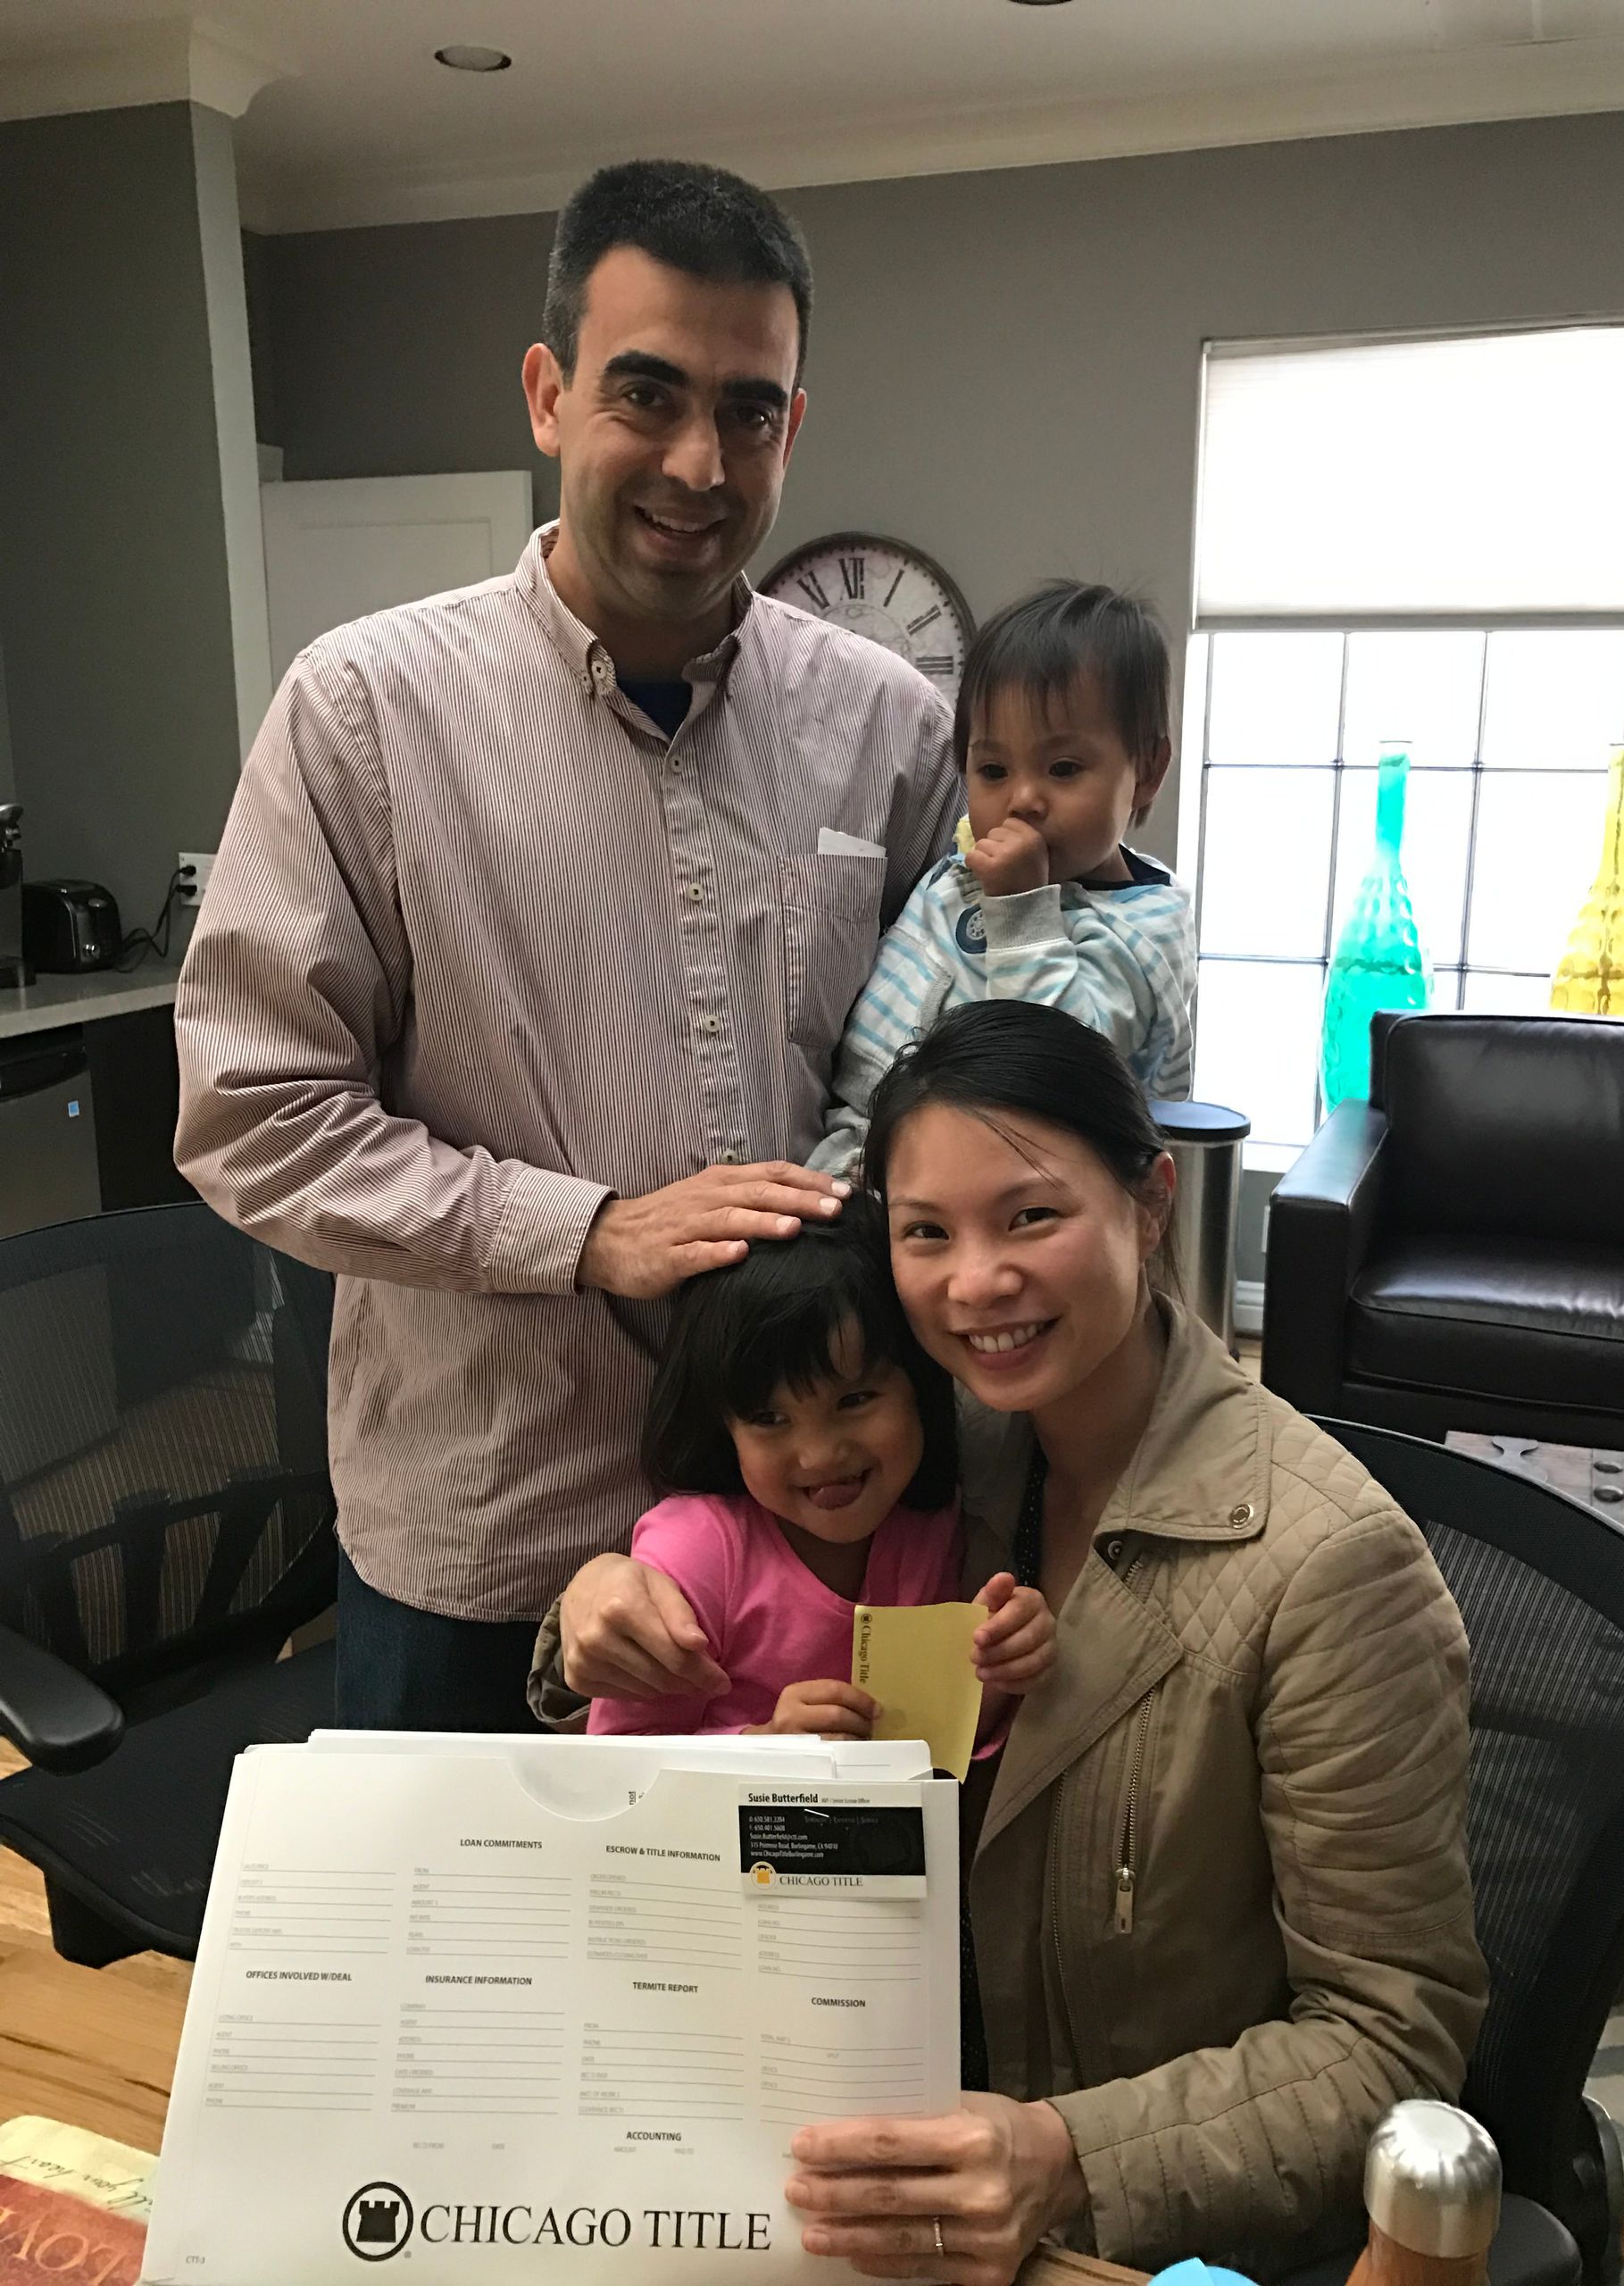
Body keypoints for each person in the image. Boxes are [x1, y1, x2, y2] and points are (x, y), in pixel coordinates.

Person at [173, 159, 959, 1731]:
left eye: (748, 411)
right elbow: (252, 1115)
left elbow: (961, 1078)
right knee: (466, 1905)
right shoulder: (363, 713)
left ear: (793, 427)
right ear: (547, 394)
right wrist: (585, 1232)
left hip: (827, 1530)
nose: (698, 461)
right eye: (646, 395)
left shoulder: (889, 726)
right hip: (496, 1527)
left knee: (824, 1896)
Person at [538, 1001, 1486, 2282]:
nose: (975, 1282)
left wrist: (1072, 2154)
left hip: (1130, 2239)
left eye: (1030, 1216)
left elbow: (1390, 2043)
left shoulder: (1329, 1568)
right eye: (927, 1232)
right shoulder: (924, 1448)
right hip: (845, 2138)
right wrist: (595, 1605)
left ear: (1149, 1204)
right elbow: (727, 1566)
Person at [585, 1191, 1054, 1742]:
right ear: (723, 1427)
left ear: (921, 1387)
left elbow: (941, 1743)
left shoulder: (937, 1525)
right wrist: (766, 1747)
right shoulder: (697, 1553)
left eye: (854, 1401)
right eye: (769, 1419)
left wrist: (1004, 1669)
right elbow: (619, 1762)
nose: (819, 1455)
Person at [810, 581, 1195, 1176]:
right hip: (866, 1150)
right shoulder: (958, 875)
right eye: (993, 770)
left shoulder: (1143, 933)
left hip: (1015, 1183)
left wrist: (1021, 910)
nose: (1023, 799)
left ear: (1146, 772)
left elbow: (1055, 1076)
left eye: (1062, 768)